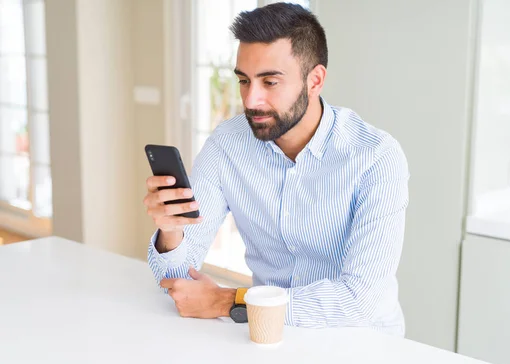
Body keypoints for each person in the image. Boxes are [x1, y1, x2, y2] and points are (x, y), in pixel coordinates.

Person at [144, 2, 409, 335]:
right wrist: (170, 231)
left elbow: (358, 300)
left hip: (360, 341)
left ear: (315, 80)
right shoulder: (227, 144)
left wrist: (229, 301)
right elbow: (177, 282)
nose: (251, 100)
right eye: (244, 81)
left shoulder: (376, 158)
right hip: (268, 336)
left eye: (270, 82)